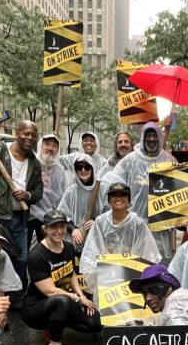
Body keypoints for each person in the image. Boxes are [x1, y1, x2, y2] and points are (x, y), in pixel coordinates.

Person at [0, 120, 43, 307]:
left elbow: (38, 192)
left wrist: (27, 195)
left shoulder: (35, 163)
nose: (29, 138)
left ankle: (12, 298)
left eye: (33, 135)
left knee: (20, 258)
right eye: (26, 133)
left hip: (20, 219)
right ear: (17, 133)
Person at [23, 210, 101, 345]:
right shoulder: (36, 255)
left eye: (62, 226)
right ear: (45, 229)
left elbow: (71, 274)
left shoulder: (69, 247)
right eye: (53, 227)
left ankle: (56, 323)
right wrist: (78, 299)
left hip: (63, 300)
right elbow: (50, 291)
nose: (59, 231)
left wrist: (82, 296)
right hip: (36, 308)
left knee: (95, 324)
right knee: (62, 301)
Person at [103, 122, 177, 262]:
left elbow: (180, 190)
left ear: (159, 137)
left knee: (157, 263)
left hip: (160, 227)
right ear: (143, 137)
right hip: (133, 224)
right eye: (148, 135)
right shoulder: (131, 160)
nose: (151, 139)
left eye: (154, 136)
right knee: (133, 264)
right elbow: (111, 182)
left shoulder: (169, 161)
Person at [80, 182, 161, 294]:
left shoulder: (138, 224)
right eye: (114, 195)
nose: (118, 198)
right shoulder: (100, 222)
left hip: (131, 277)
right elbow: (92, 249)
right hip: (106, 278)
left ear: (129, 200)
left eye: (123, 195)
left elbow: (147, 254)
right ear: (108, 200)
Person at [58, 153, 105, 253]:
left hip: (95, 239)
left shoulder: (100, 190)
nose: (83, 170)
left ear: (92, 168)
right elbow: (62, 214)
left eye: (87, 167)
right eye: (79, 167)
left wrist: (97, 222)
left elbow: (108, 214)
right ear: (75, 170)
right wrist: (73, 229)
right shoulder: (70, 191)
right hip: (74, 239)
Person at [28, 133, 67, 246]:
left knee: (48, 249)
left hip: (49, 218)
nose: (50, 148)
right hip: (29, 216)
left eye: (54, 146)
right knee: (25, 252)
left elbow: (62, 195)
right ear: (40, 145)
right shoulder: (32, 164)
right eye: (47, 144)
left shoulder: (60, 171)